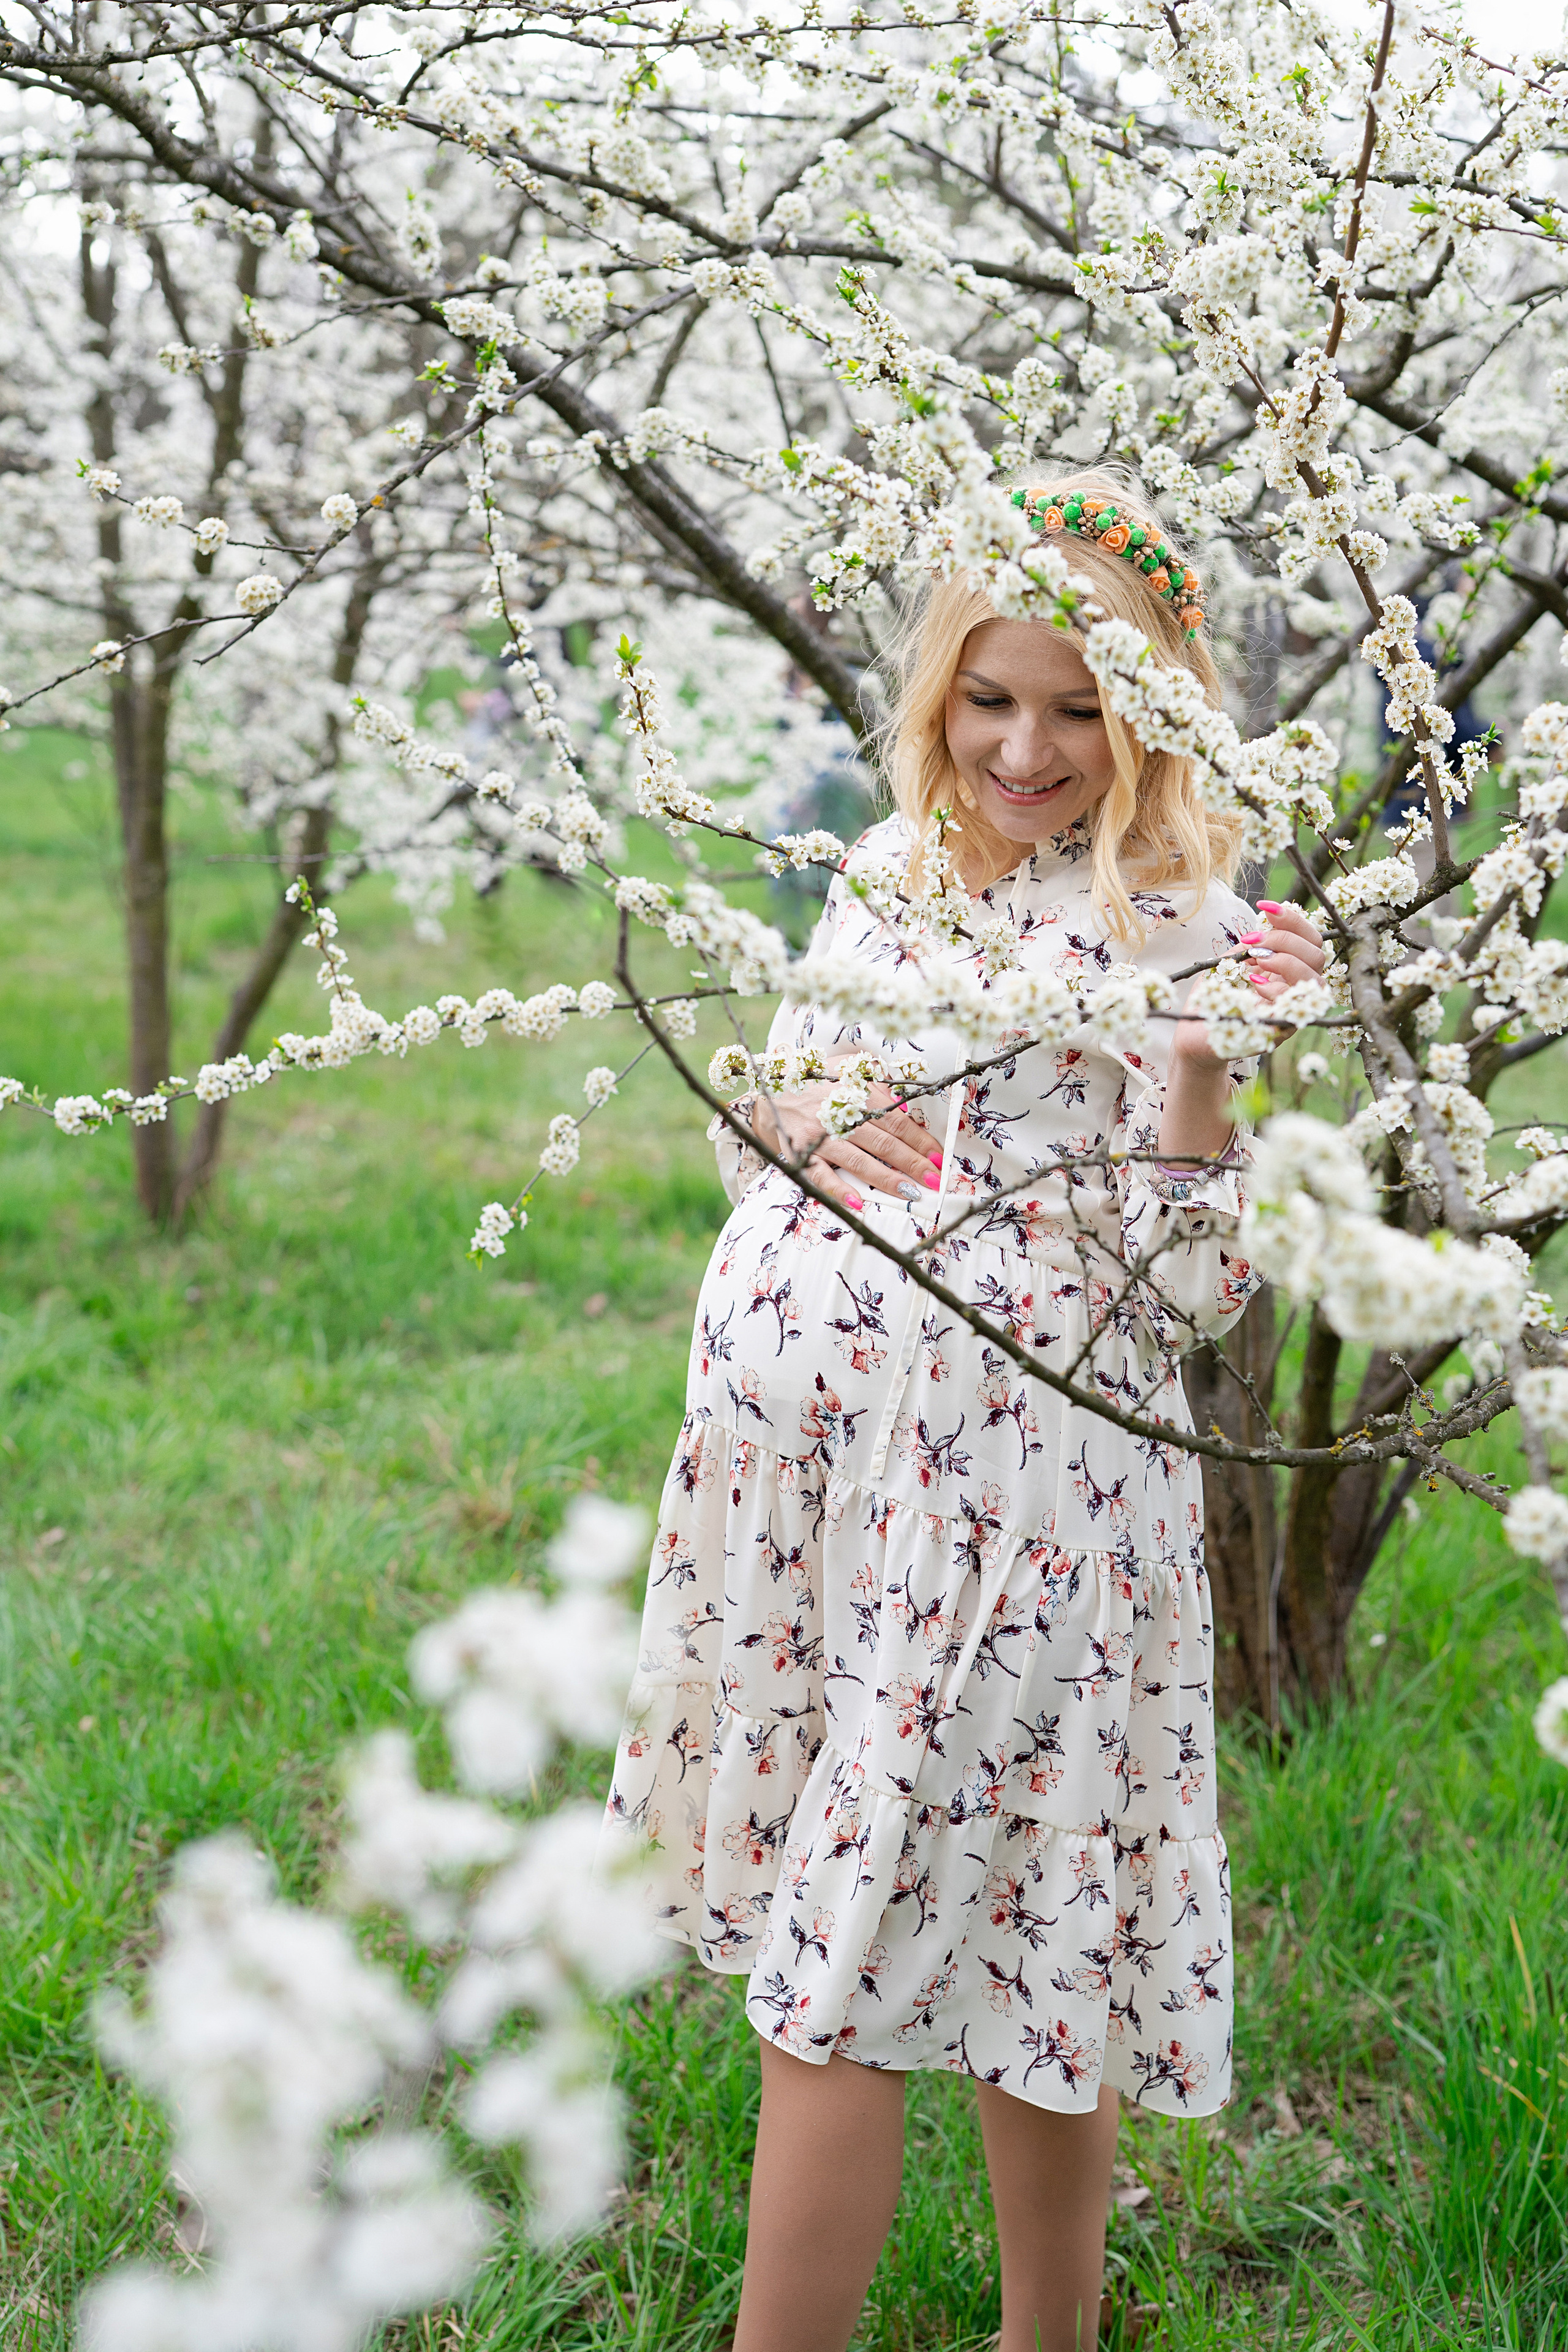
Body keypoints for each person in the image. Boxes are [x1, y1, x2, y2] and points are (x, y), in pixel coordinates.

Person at [605, 470, 1325, 2352]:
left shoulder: (1183, 932)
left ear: (1152, 714)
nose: (1025, 749)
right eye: (990, 699)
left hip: (1013, 1520)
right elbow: (782, 1117)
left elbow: (1192, 1298)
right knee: (1009, 1933)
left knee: (862, 1970)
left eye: (1080, 710)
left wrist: (1202, 1081)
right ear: (939, 690)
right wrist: (777, 1118)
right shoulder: (889, 873)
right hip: (819, 1510)